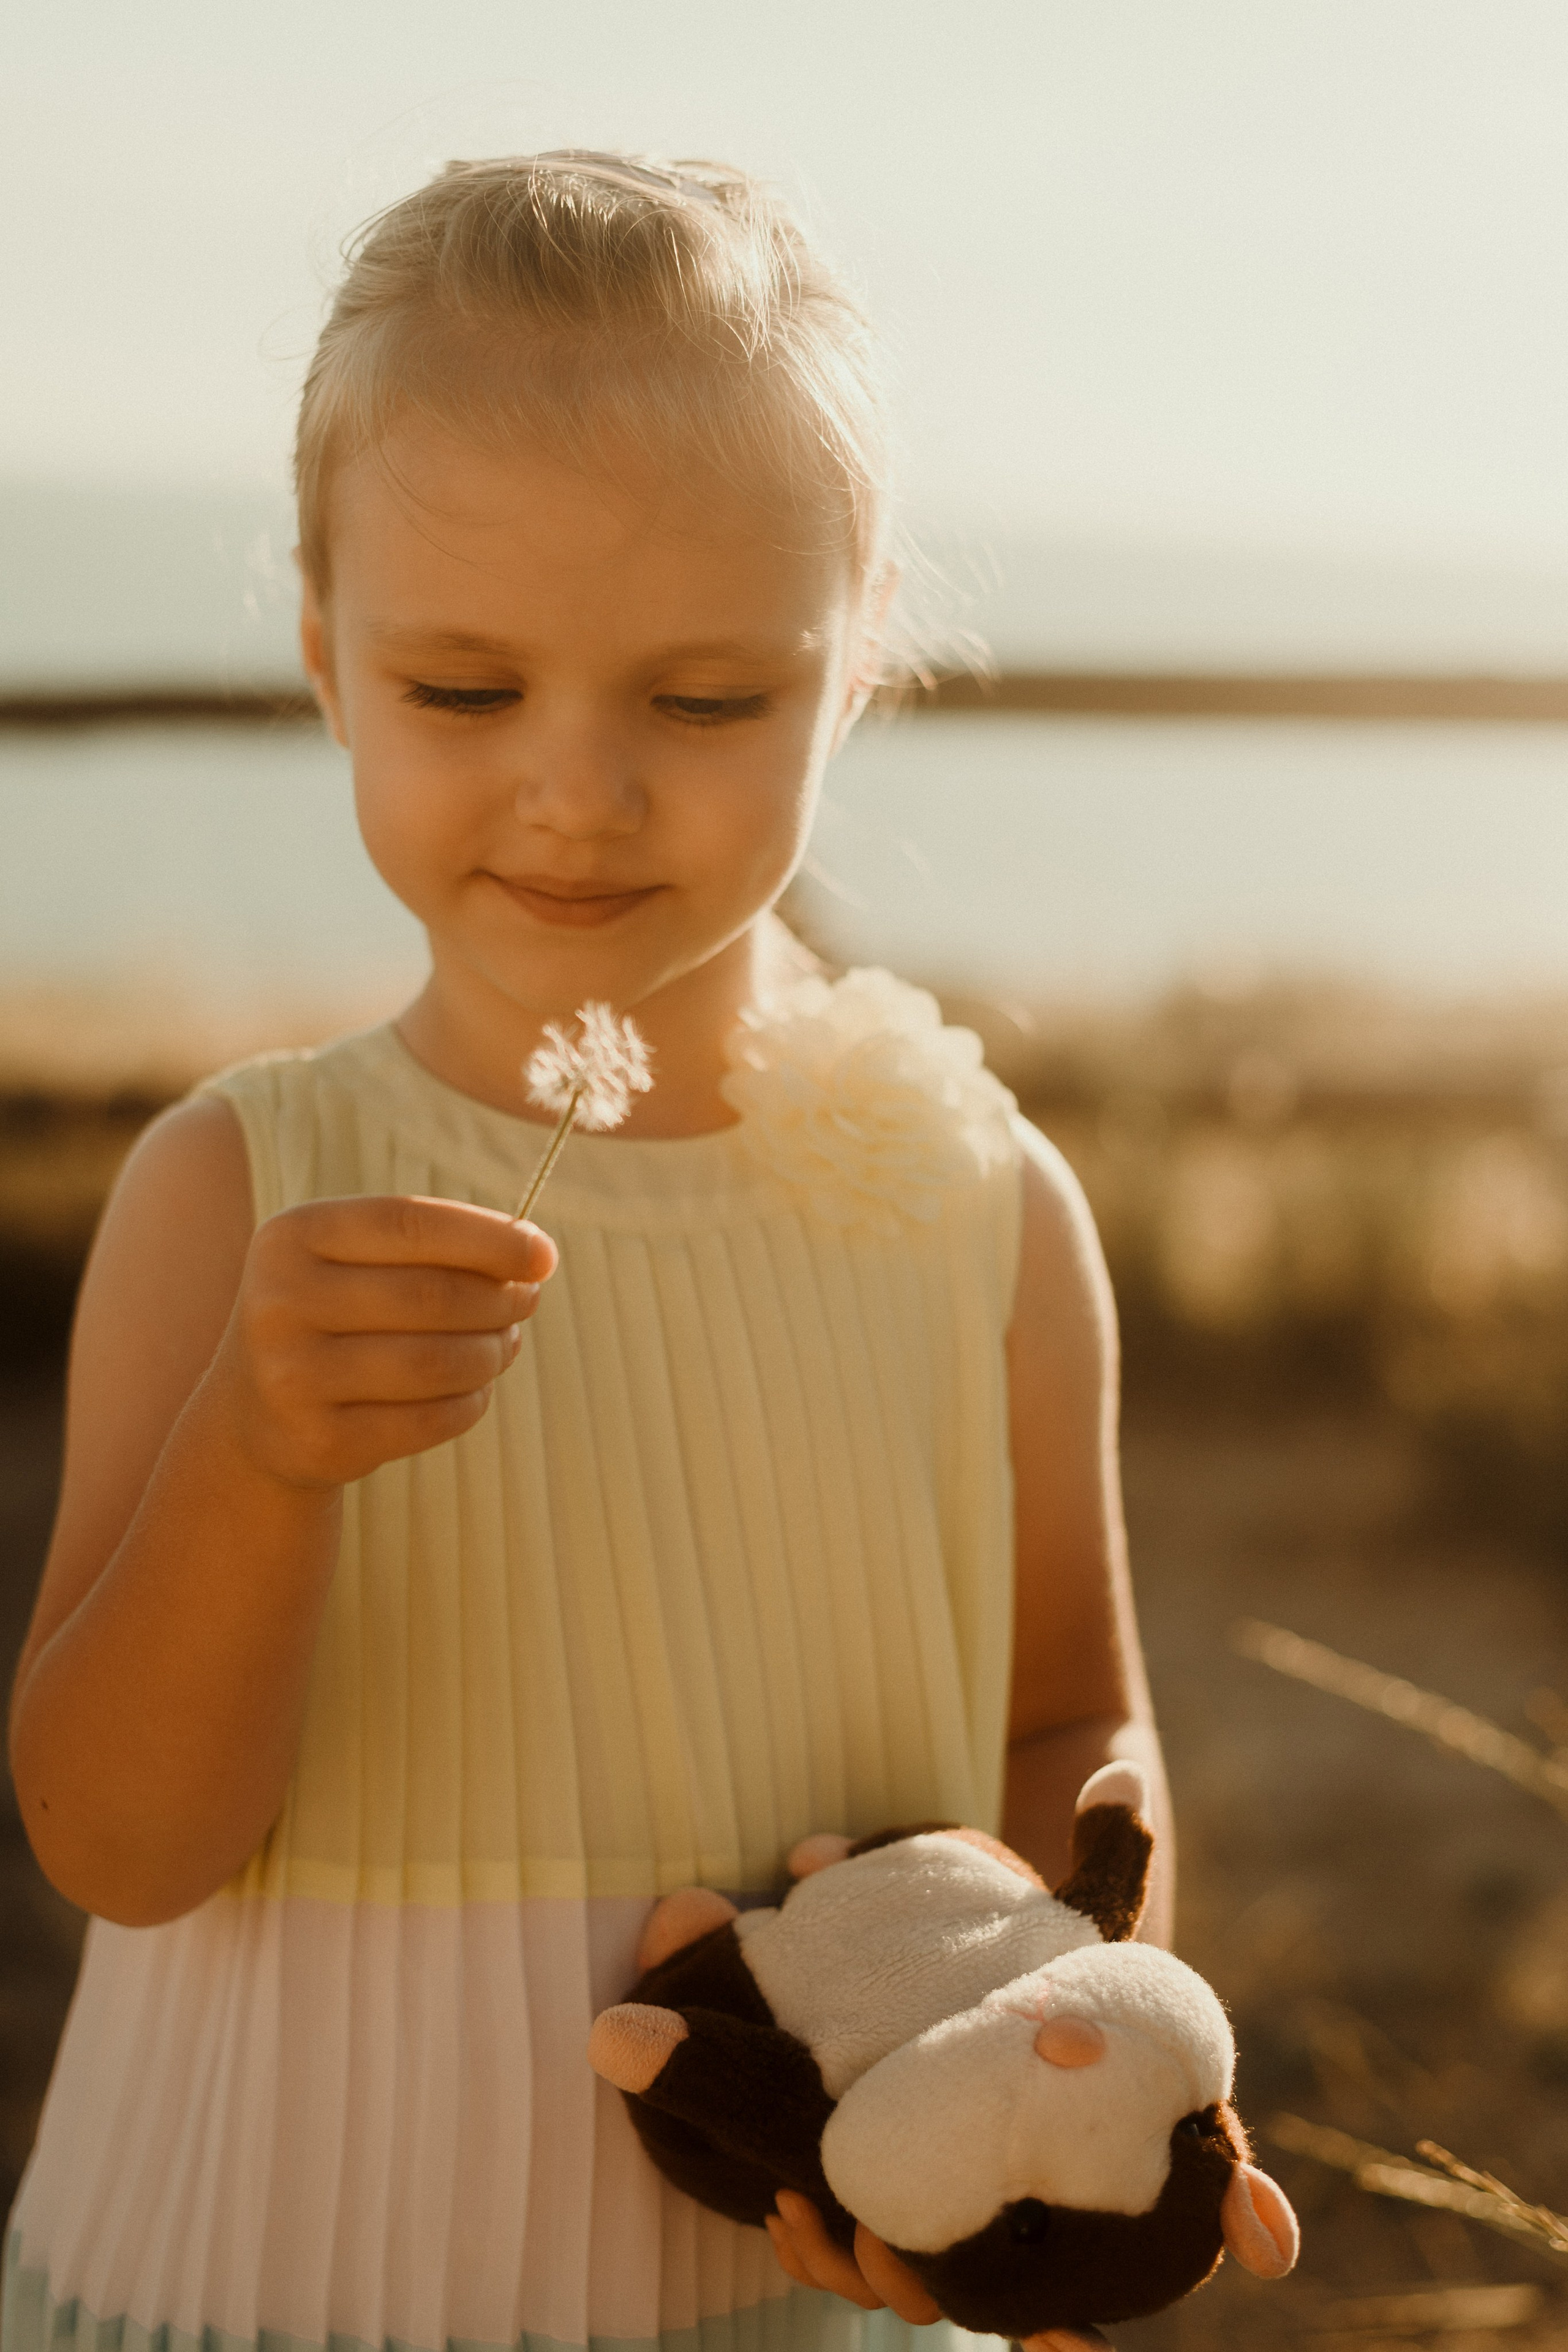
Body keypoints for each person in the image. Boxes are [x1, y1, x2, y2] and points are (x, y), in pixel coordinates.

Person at [4, 152, 1171, 2352]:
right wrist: (255, 1462)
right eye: (463, 690)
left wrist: (1047, 2076)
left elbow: (1066, 1717)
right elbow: (116, 1847)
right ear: (326, 655)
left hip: (802, 2293)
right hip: (271, 2277)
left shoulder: (981, 1213)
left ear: (856, 665)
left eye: (706, 702)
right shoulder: (232, 1197)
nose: (579, 789)